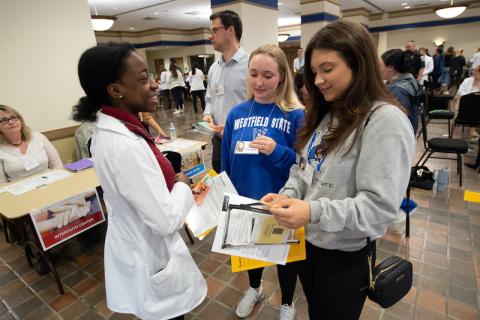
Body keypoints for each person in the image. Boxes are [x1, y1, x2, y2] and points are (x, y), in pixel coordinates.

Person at [261, 21, 415, 319]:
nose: (318, 81)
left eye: (327, 69)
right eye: (314, 72)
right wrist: (287, 195)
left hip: (345, 256)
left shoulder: (385, 122)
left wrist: (312, 211)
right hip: (310, 244)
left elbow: (378, 209)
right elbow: (302, 167)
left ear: (358, 63)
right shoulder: (328, 111)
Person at [72, 42, 206, 320]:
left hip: (138, 243)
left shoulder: (116, 131)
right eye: (144, 79)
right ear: (116, 90)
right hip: (149, 253)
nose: (156, 84)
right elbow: (165, 220)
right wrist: (181, 182)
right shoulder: (125, 145)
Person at [222, 44, 304, 320]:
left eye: (267, 75)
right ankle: (254, 288)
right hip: (245, 199)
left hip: (281, 201)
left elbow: (305, 165)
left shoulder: (295, 114)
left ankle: (287, 302)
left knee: (285, 259)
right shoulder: (237, 114)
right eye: (253, 73)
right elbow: (226, 161)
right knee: (250, 254)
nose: (259, 82)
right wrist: (228, 195)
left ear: (282, 76)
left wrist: (277, 151)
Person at [203, 10, 249, 173]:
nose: (210, 36)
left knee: (241, 182)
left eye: (214, 30)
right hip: (218, 141)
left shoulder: (251, 66)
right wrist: (207, 114)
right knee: (220, 178)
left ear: (231, 30)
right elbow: (209, 99)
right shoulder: (214, 68)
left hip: (243, 139)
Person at [0, 104, 63, 184]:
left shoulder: (38, 137)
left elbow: (57, 165)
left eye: (13, 117)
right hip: (20, 191)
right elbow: (2, 183)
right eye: (4, 120)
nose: (11, 122)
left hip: (49, 183)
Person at [380, 49, 421, 133]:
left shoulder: (398, 91)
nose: (376, 69)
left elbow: (395, 123)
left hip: (401, 133)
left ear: (391, 67)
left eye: (380, 66)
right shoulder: (409, 77)